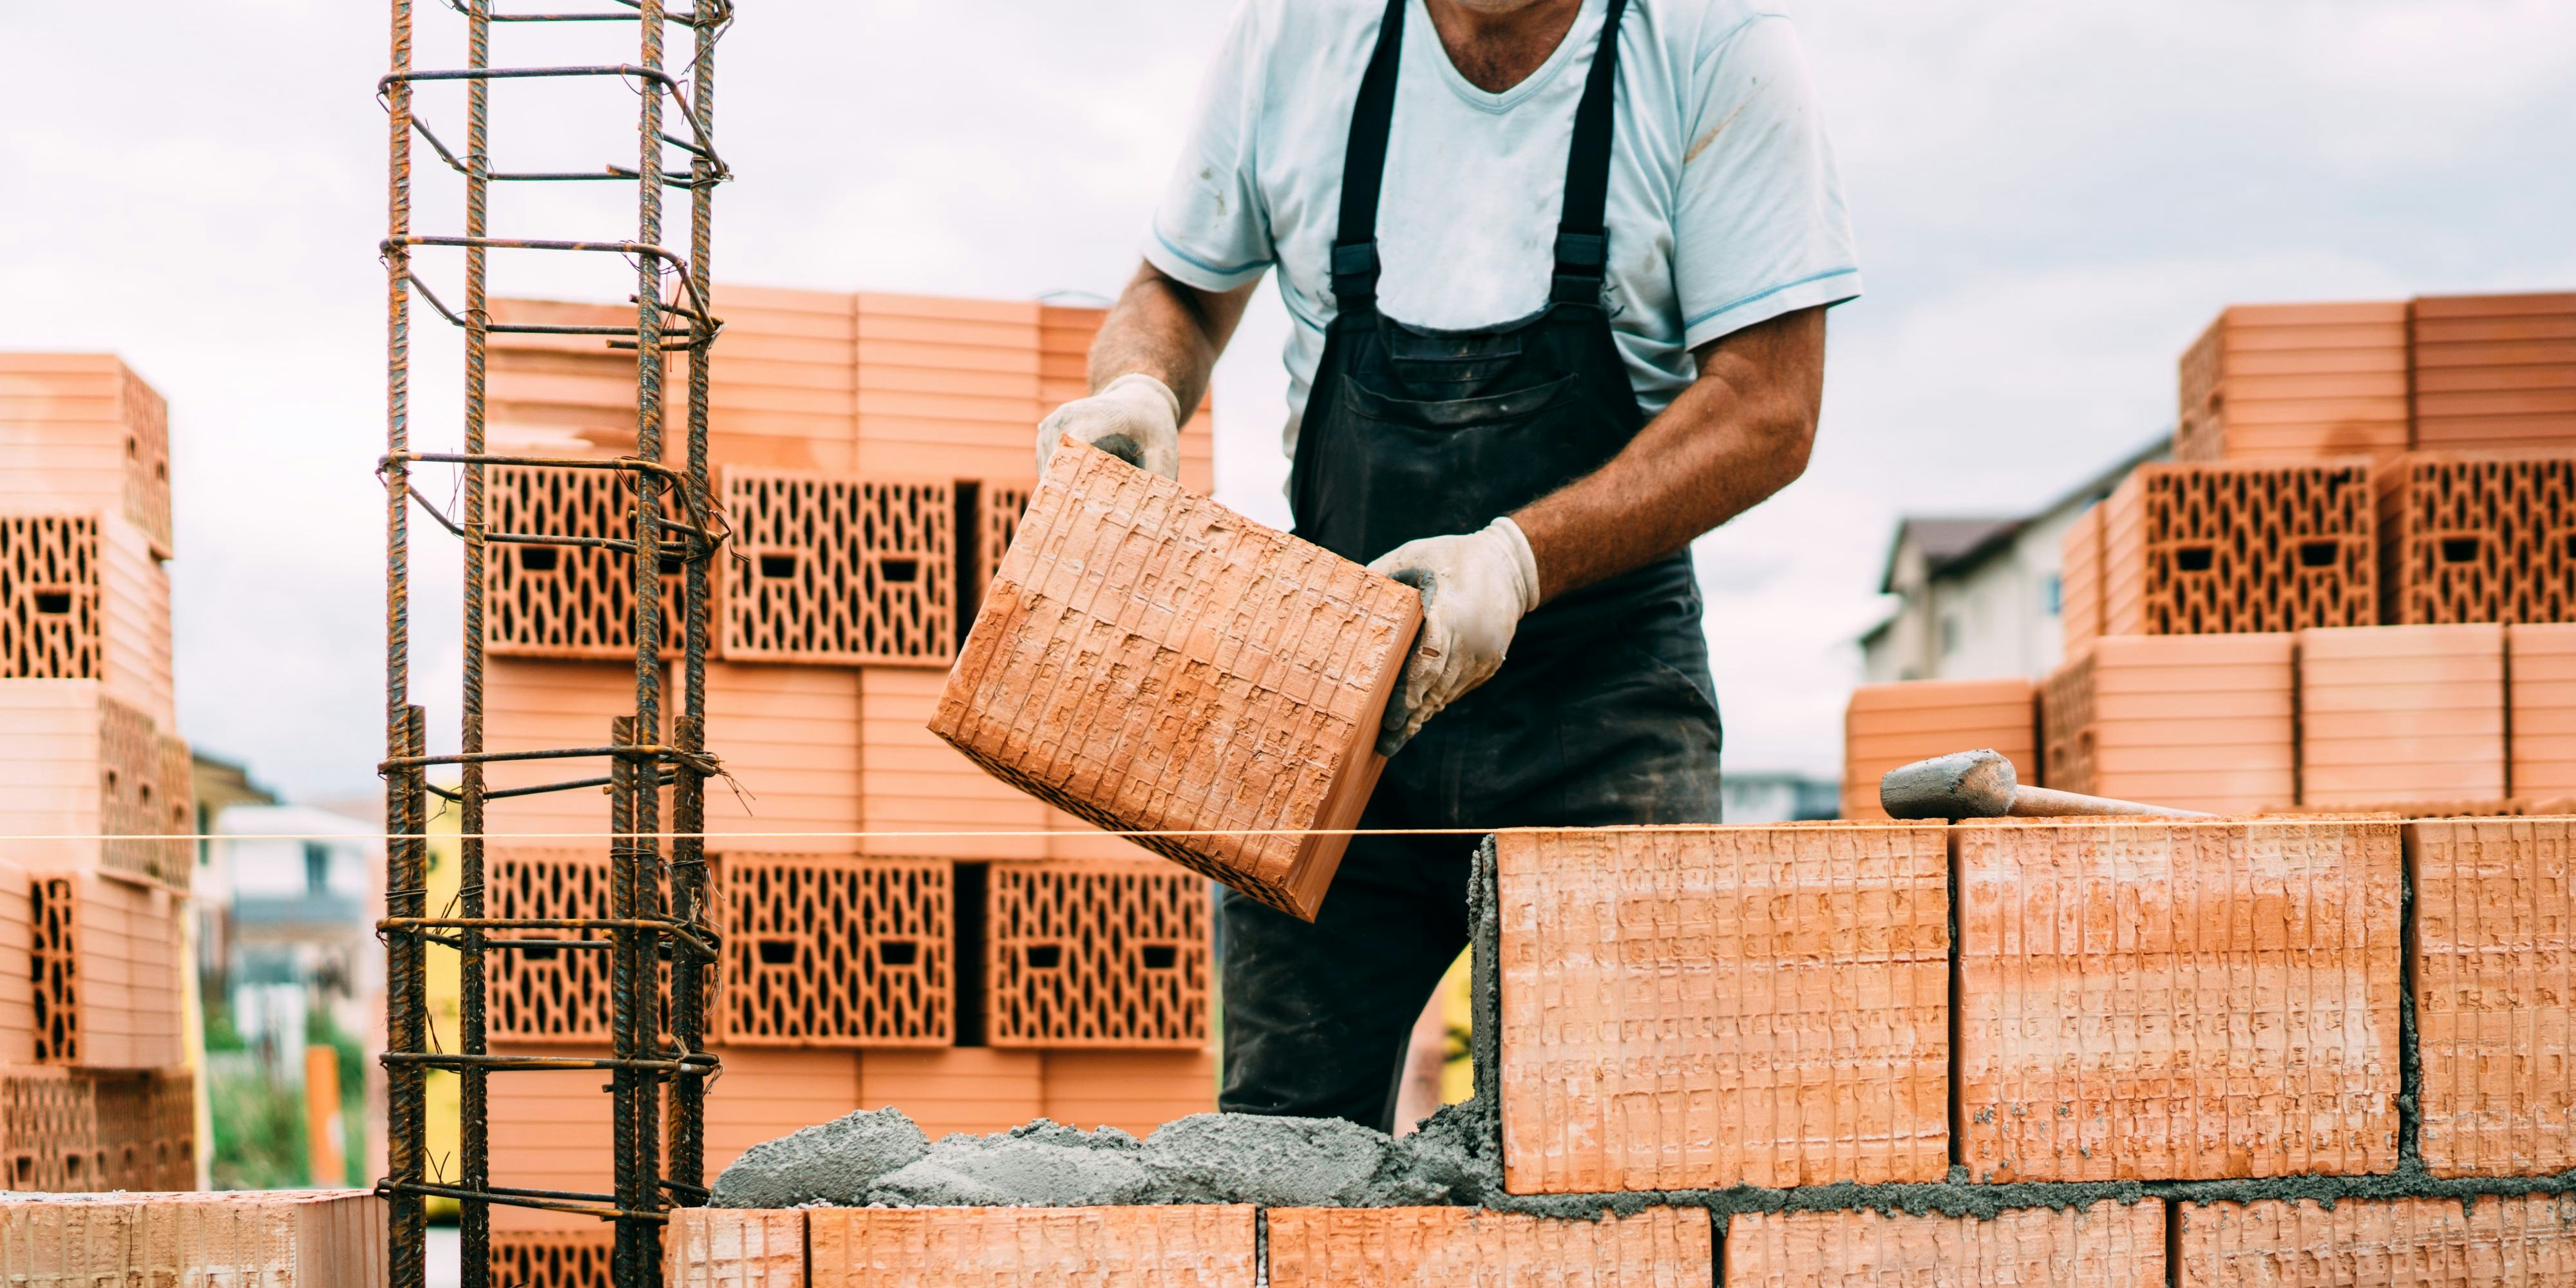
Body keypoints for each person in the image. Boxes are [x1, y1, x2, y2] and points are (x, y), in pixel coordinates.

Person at [1034, 0, 1859, 1131]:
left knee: (1616, 1162)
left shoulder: (1713, 44)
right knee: (1279, 1155)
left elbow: (1770, 405)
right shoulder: (1297, 36)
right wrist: (1140, 388)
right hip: (1330, 709)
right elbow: (1174, 290)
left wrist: (1517, 563)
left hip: (1601, 713)